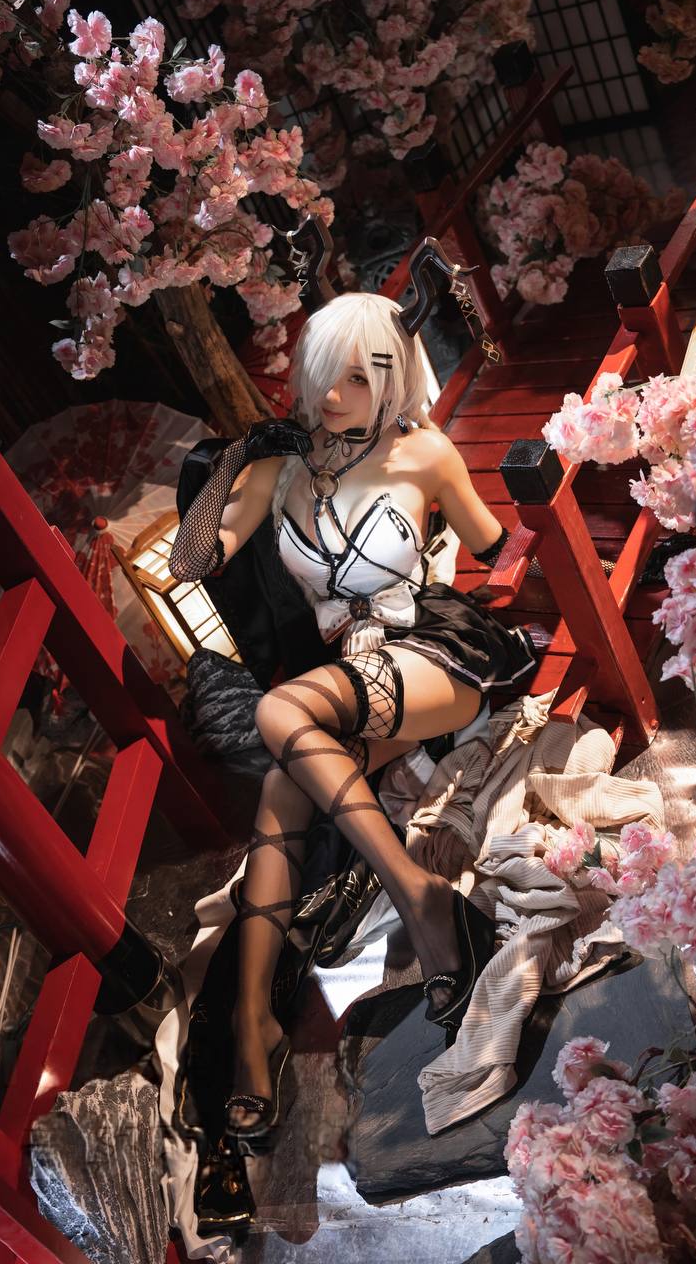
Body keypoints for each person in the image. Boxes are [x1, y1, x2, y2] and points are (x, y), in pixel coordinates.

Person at [169, 291, 538, 1156]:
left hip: (437, 654)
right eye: (321, 375)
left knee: (280, 708)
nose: (332, 396)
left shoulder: (425, 453)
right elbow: (190, 562)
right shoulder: (280, 469)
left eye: (358, 378)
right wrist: (238, 458)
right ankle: (255, 1019)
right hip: (348, 677)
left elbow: (497, 548)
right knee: (280, 785)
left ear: (392, 378)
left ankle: (414, 896)